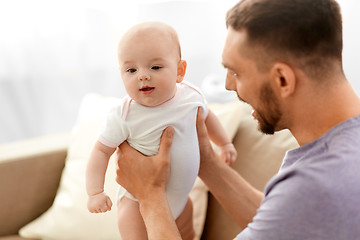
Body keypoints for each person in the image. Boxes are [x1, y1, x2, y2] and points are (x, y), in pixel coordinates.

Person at [114, 0, 360, 239]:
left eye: (236, 72)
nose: (227, 85)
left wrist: (150, 196)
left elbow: (292, 212)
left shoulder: (317, 184)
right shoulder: (341, 156)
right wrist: (206, 161)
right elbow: (284, 224)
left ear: (283, 79)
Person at [85, 21, 237, 240]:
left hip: (181, 202)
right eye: (131, 70)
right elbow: (100, 151)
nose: (143, 76)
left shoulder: (191, 96)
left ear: (180, 70)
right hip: (137, 206)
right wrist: (95, 192)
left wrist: (224, 143)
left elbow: (207, 117)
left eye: (155, 67)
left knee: (188, 235)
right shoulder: (124, 114)